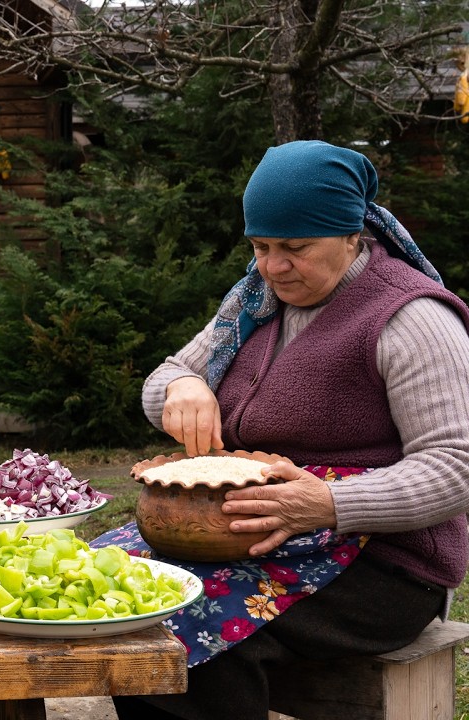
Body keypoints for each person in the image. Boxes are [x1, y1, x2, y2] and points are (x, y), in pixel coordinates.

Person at [99, 140, 469, 720]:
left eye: (296, 247)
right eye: (261, 246)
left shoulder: (412, 319)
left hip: (385, 567)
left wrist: (325, 503)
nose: (273, 266)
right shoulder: (252, 304)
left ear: (353, 235)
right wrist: (182, 387)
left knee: (182, 622)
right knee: (114, 593)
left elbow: (455, 466)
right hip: (246, 536)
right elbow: (167, 376)